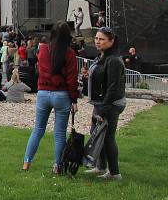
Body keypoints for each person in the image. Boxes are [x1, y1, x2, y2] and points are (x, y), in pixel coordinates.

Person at [22, 21, 78, 174]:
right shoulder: (69, 54)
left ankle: (27, 162)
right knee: (59, 133)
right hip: (61, 94)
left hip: (43, 92)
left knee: (38, 129)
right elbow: (72, 79)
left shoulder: (43, 50)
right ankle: (58, 166)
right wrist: (74, 100)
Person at [84, 27, 127, 181]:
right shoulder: (102, 56)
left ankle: (114, 173)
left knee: (108, 137)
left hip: (110, 104)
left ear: (111, 41)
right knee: (96, 134)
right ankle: (101, 166)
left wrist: (103, 111)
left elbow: (113, 88)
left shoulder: (114, 60)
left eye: (102, 39)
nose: (97, 41)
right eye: (96, 38)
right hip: (101, 102)